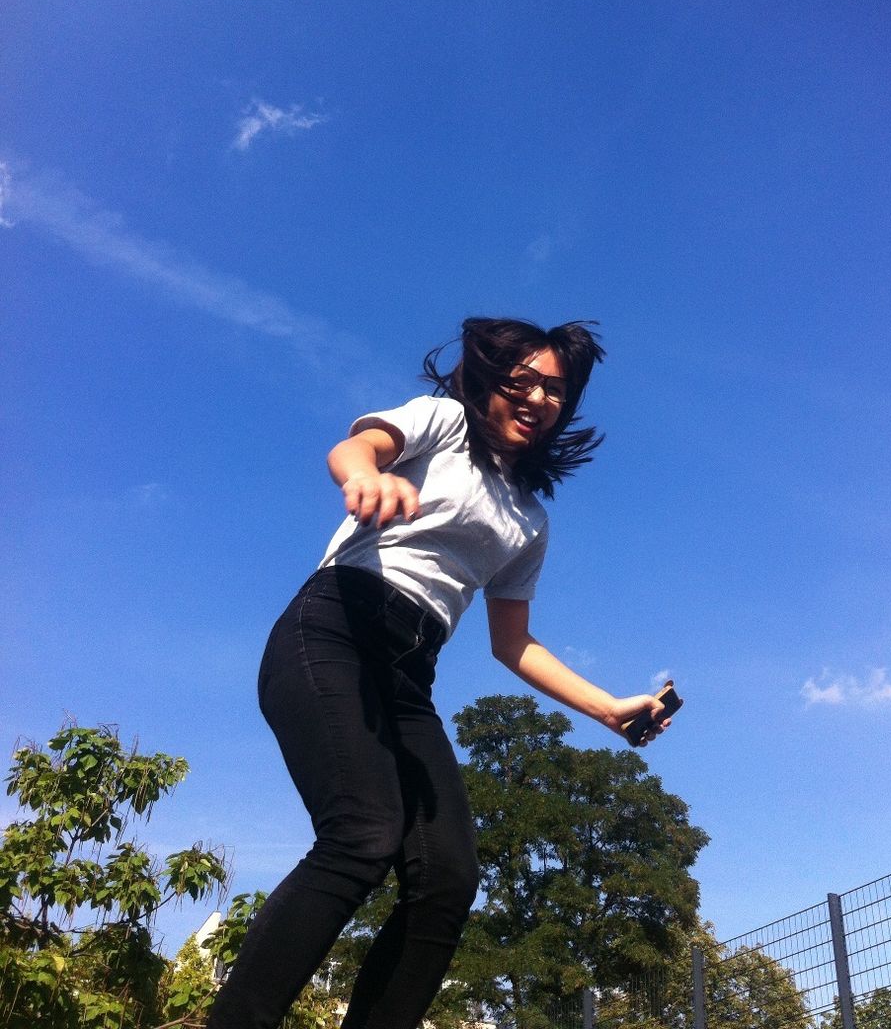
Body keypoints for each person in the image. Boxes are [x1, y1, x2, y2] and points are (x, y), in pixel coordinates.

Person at [206, 317, 674, 1029]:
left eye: (556, 388)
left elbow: (513, 644)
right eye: (524, 381)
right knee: (363, 834)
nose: (540, 397)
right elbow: (357, 446)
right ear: (489, 382)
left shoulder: (529, 520)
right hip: (335, 629)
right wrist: (364, 475)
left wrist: (609, 709)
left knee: (447, 880)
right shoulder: (442, 424)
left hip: (409, 678)